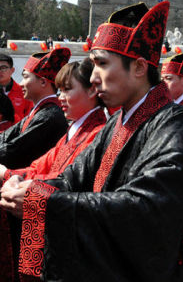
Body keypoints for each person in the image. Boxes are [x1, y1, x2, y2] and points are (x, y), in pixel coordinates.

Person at [0, 1, 183, 281]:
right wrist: (28, 186)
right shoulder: (118, 123)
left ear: (140, 67)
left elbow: (145, 207)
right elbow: (73, 179)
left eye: (102, 64)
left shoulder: (175, 122)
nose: (93, 78)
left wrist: (45, 202)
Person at [0, 59, 107, 282]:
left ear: (92, 91)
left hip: (66, 231)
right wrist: (14, 176)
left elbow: (63, 179)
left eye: (67, 89)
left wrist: (9, 176)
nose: (60, 96)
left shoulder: (97, 133)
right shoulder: (75, 129)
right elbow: (41, 165)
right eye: (59, 89)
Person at [0, 53, 33, 123]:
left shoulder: (24, 91)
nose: (0, 71)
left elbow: (28, 118)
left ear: (12, 70)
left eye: (3, 68)